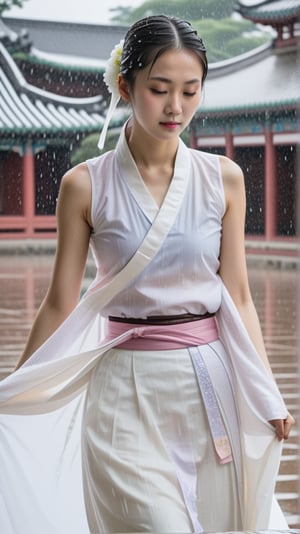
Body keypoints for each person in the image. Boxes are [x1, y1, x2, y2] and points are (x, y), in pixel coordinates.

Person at [0, 14, 295, 534]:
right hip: (123, 389)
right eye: (159, 90)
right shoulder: (83, 186)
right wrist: (19, 387)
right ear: (124, 86)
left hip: (209, 382)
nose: (176, 107)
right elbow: (58, 301)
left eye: (190, 90)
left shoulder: (223, 179)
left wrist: (266, 390)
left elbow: (241, 297)